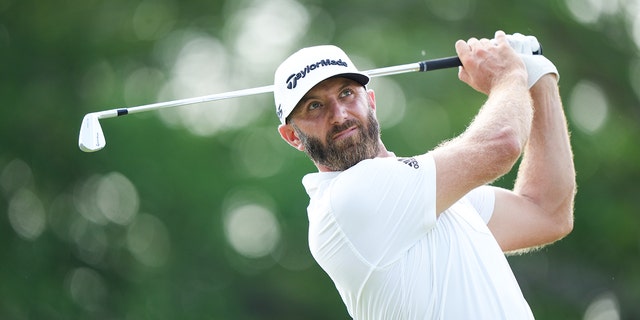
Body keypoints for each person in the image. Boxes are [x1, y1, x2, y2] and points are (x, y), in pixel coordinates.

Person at [273, 30, 576, 319]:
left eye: (347, 93)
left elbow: (547, 212)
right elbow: (502, 143)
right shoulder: (347, 200)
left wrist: (539, 78)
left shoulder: (427, 193)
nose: (339, 114)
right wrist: (510, 75)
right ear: (292, 136)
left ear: (372, 102)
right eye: (315, 106)